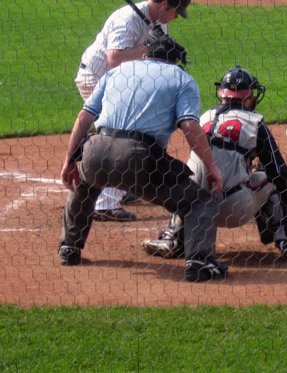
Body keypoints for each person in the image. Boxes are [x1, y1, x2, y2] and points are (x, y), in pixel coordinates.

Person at [57, 33, 229, 282]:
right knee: (199, 201)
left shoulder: (116, 72)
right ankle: (199, 262)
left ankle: (69, 248)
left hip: (95, 150)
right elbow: (190, 126)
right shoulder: (182, 79)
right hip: (138, 158)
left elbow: (84, 117)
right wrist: (211, 166)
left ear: (146, 54)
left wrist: (69, 160)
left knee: (83, 183)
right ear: (175, 61)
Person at [141, 66, 287, 262]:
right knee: (268, 176)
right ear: (248, 98)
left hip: (195, 210)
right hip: (233, 209)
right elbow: (280, 175)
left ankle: (174, 237)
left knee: (188, 180)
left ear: (222, 95)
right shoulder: (254, 123)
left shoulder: (203, 118)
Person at [74, 0, 192, 222]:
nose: (177, 17)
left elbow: (150, 61)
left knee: (126, 133)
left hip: (120, 82)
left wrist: (164, 51)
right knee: (117, 134)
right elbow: (114, 59)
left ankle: (123, 184)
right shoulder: (127, 19)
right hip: (97, 78)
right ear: (165, 6)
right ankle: (105, 204)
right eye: (176, 12)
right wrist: (148, 47)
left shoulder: (158, 21)